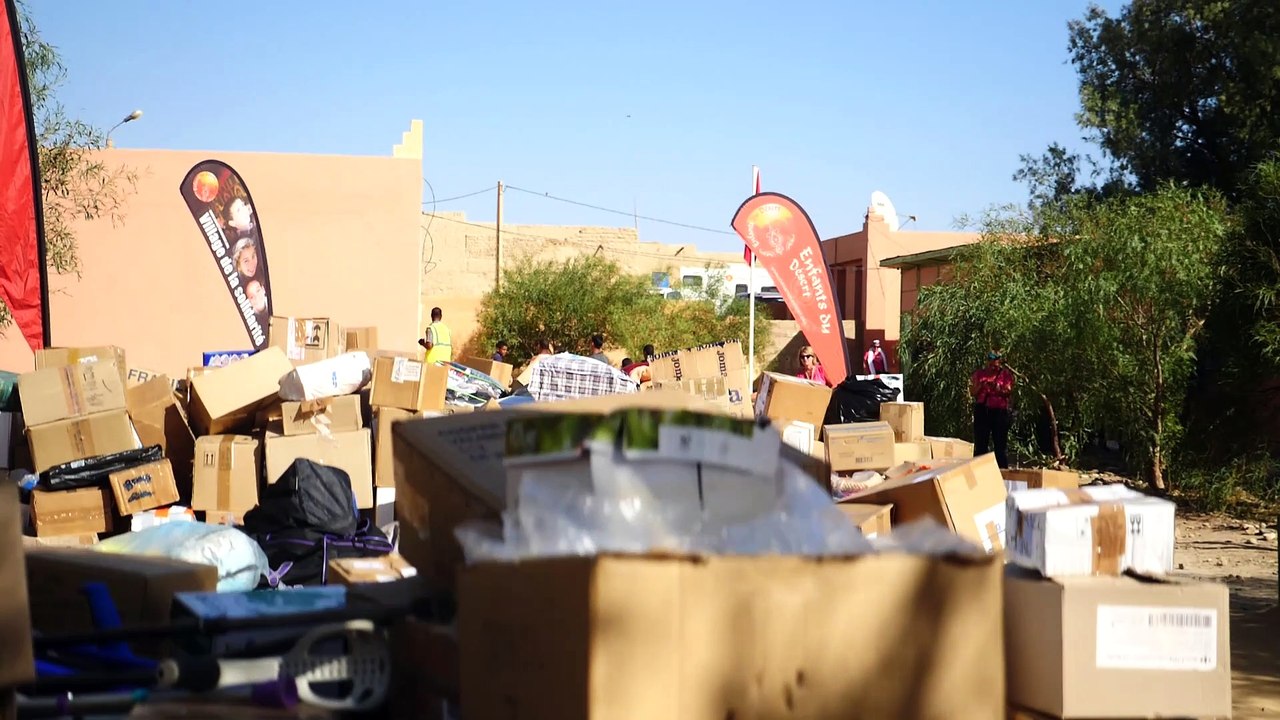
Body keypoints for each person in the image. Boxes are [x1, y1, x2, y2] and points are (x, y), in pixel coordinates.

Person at [971, 350, 1015, 468]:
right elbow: (973, 392)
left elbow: (1009, 391)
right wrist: (982, 385)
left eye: (995, 361)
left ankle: (1002, 470)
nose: (993, 364)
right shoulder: (979, 374)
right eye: (990, 361)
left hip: (999, 411)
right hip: (982, 410)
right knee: (981, 444)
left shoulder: (1005, 375)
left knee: (1000, 445)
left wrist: (997, 388)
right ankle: (979, 469)